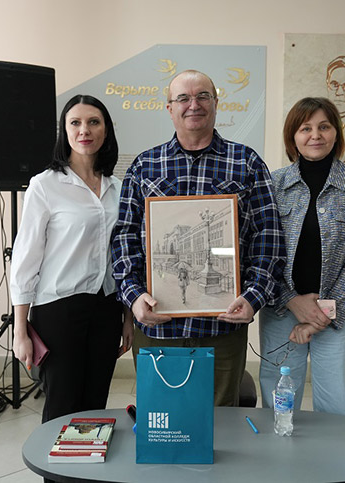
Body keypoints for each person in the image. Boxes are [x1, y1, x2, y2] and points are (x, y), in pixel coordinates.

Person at [112, 69, 286, 407]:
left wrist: (253, 298)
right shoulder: (144, 166)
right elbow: (124, 239)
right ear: (169, 108)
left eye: (203, 96)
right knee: (162, 420)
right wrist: (133, 297)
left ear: (216, 103)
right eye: (183, 98)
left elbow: (269, 238)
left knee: (221, 422)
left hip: (222, 328)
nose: (194, 105)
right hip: (158, 327)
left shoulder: (246, 162)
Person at [11, 94, 134, 425]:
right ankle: (55, 462)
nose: (84, 130)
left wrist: (127, 317)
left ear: (106, 130)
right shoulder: (45, 186)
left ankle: (89, 461)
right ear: (64, 131)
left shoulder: (118, 188)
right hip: (58, 310)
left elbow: (123, 256)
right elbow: (25, 258)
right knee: (62, 409)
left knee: (94, 407)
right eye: (75, 122)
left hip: (106, 308)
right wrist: (20, 330)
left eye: (93, 122)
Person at [259, 97, 345, 416]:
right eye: (305, 128)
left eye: (324, 127)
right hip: (282, 315)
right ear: (292, 137)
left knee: (336, 410)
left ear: (336, 133)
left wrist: (321, 314)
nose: (315, 135)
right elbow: (261, 252)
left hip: (341, 318)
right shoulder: (273, 184)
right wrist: (291, 300)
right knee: (278, 409)